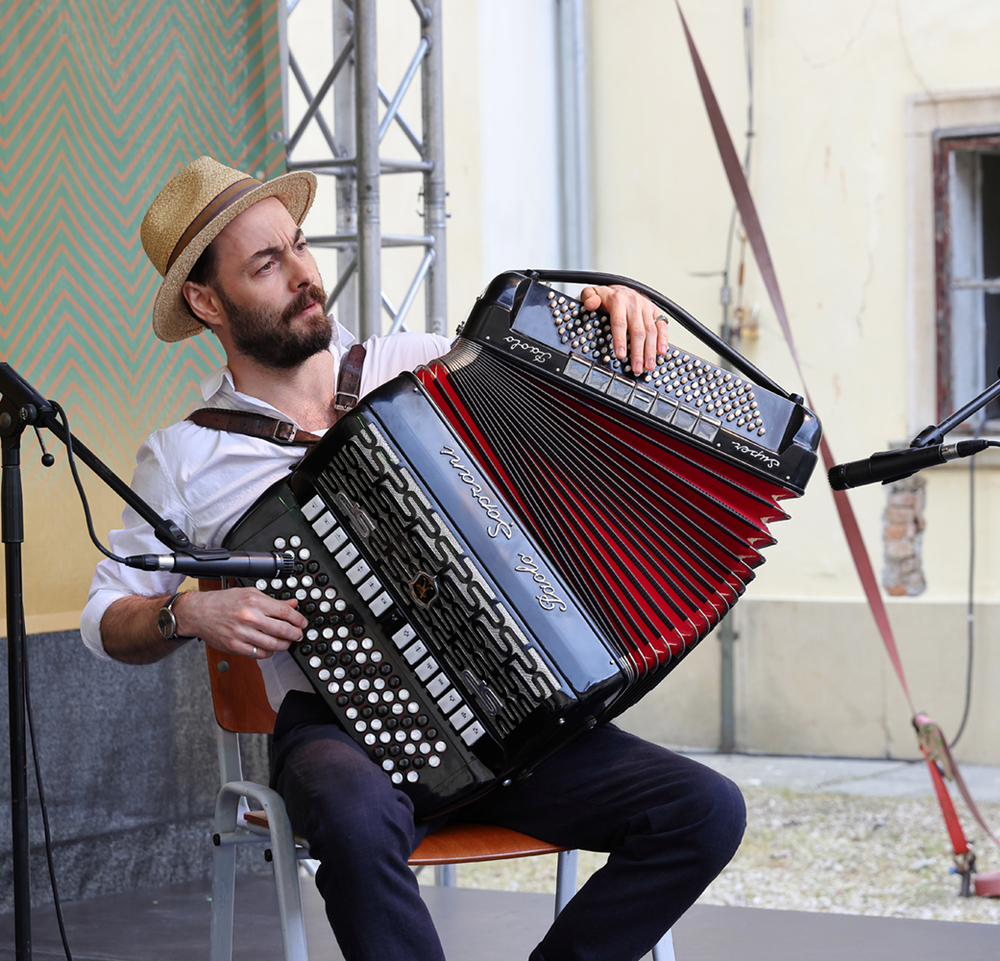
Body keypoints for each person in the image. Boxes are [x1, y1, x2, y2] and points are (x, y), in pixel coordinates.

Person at [82, 156, 745, 961]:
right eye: (266, 263)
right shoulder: (186, 457)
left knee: (704, 809)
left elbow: (580, 398)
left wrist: (606, 319)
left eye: (297, 246)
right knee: (356, 816)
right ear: (204, 300)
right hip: (342, 734)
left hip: (511, 715)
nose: (302, 275)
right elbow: (104, 617)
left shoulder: (430, 364)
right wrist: (184, 610)